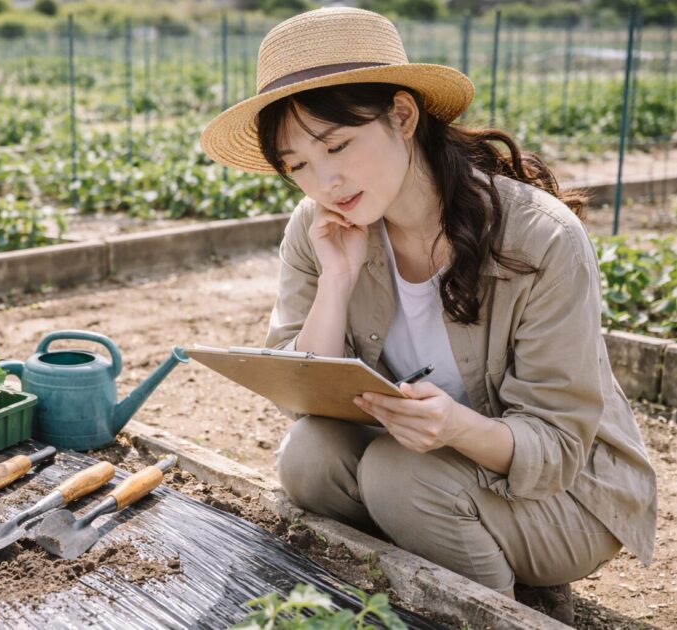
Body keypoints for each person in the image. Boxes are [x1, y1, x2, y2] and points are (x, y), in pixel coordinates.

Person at [199, 7, 656, 625]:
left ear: (403, 115)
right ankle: (431, 565)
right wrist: (337, 279)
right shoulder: (320, 227)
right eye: (298, 164)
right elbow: (301, 394)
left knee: (397, 475)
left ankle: (508, 607)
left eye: (337, 145)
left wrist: (455, 428)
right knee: (307, 456)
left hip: (563, 497)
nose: (324, 181)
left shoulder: (541, 239)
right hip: (429, 467)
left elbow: (556, 447)